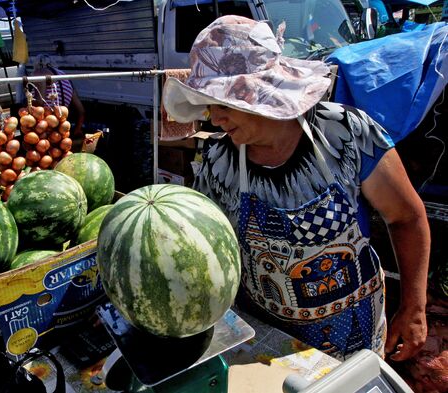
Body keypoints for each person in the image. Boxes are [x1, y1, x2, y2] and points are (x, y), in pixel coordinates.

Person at [163, 15, 430, 362]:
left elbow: (406, 217)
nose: (214, 119)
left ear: (258, 91)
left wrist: (414, 306)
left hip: (354, 344)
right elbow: (205, 248)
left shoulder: (346, 134)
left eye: (223, 104)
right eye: (209, 105)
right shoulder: (217, 159)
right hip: (266, 345)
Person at [31, 54, 85, 138]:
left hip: (46, 126)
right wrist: (78, 129)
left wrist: (27, 102)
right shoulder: (65, 78)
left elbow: (39, 102)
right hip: (62, 126)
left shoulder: (40, 72)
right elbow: (81, 110)